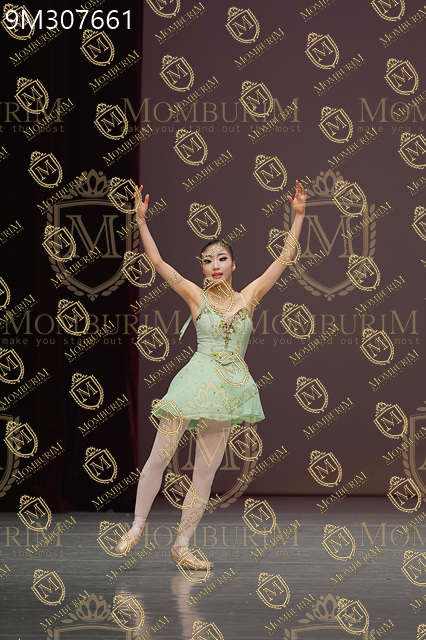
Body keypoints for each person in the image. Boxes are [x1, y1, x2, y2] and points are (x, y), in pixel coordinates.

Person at [115, 180, 307, 570]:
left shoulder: (249, 296)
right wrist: (140, 221)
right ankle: (137, 526)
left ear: (233, 265)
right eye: (207, 260)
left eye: (221, 258)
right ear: (202, 268)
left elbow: (284, 259)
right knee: (159, 458)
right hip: (193, 383)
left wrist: (299, 216)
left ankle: (182, 546)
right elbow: (158, 263)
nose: (215, 265)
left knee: (205, 472)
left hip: (228, 391)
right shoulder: (195, 295)